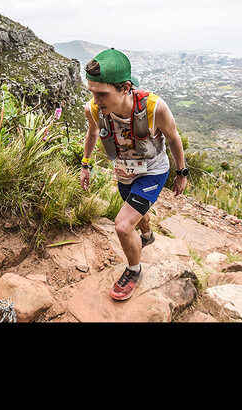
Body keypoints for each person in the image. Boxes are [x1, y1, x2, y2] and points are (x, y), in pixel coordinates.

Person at [80, 48, 189, 301]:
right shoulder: (94, 110)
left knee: (122, 225)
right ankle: (148, 236)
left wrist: (181, 172)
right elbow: (93, 134)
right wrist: (85, 165)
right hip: (124, 173)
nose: (95, 100)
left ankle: (133, 270)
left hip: (153, 172)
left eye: (102, 94)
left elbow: (173, 138)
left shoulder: (154, 108)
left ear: (125, 87)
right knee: (136, 213)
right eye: (92, 93)